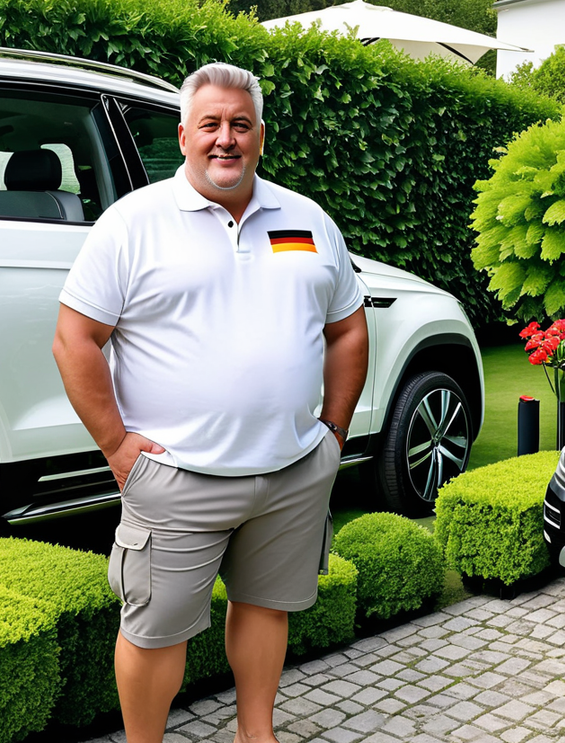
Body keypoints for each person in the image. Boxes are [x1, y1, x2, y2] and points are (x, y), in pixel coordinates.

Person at [52, 61, 369, 743]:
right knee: (155, 629)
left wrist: (333, 433)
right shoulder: (132, 224)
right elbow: (74, 339)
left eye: (240, 124)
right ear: (185, 135)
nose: (226, 139)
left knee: (264, 609)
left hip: (289, 472)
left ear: (260, 134)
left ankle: (257, 734)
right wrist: (116, 446)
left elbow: (347, 327)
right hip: (176, 476)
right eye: (211, 125)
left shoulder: (307, 220)